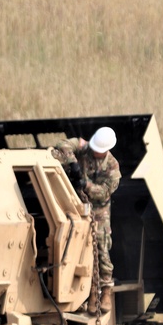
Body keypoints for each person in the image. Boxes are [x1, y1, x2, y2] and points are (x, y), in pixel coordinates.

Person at [51, 127, 121, 312]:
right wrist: (73, 164)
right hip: (75, 204)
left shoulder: (112, 167)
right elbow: (62, 146)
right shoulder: (84, 147)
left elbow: (104, 192)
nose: (95, 152)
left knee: (101, 248)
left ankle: (104, 290)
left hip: (98, 211)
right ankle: (84, 290)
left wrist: (86, 184)